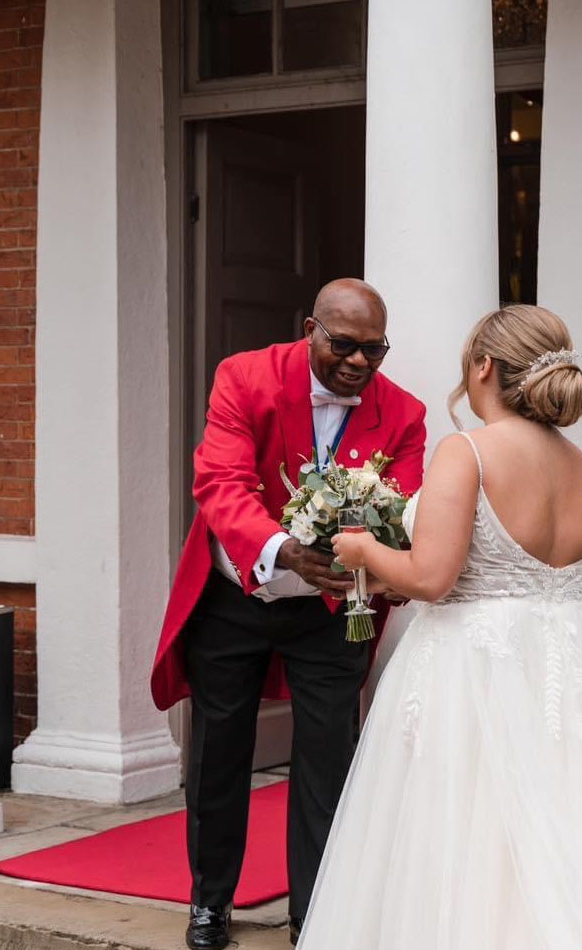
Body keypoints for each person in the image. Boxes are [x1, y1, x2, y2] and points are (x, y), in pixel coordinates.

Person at [298, 304, 582, 949]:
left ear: (483, 365)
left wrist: (362, 550)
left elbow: (431, 577)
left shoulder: (467, 453)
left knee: (467, 832)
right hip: (565, 663)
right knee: (569, 827)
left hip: (473, 667)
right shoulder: (577, 464)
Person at [150, 278, 426, 950]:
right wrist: (284, 550)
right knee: (218, 752)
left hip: (332, 609)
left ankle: (316, 913)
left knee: (329, 756)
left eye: (375, 350)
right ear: (311, 328)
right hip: (235, 594)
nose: (359, 362)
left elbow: (408, 502)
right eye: (345, 345)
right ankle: (210, 902)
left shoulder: (406, 412)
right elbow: (220, 481)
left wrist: (374, 548)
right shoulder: (244, 377)